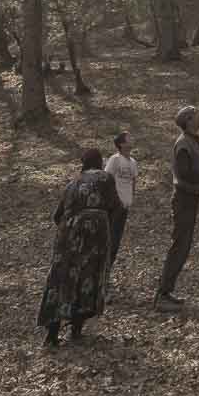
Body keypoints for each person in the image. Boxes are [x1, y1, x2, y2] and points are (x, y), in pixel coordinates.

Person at [37, 146, 121, 348]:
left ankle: (52, 335)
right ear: (100, 163)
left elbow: (57, 216)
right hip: (94, 237)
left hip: (67, 237)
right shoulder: (105, 178)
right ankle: (76, 330)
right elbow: (115, 206)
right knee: (89, 278)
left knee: (62, 280)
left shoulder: (72, 183)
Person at [155, 104, 199, 310]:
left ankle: (167, 291)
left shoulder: (193, 141)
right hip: (183, 200)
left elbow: (192, 170)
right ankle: (162, 295)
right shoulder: (183, 144)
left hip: (191, 198)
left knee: (183, 247)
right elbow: (184, 172)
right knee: (179, 247)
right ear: (188, 120)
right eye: (196, 115)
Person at [104, 130, 138, 267]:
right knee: (109, 238)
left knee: (116, 240)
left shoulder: (133, 162)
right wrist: (114, 200)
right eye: (128, 138)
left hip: (124, 207)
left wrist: (130, 199)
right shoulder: (115, 159)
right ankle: (101, 267)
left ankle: (108, 267)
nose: (132, 139)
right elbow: (106, 179)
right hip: (113, 206)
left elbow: (133, 182)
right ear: (122, 144)